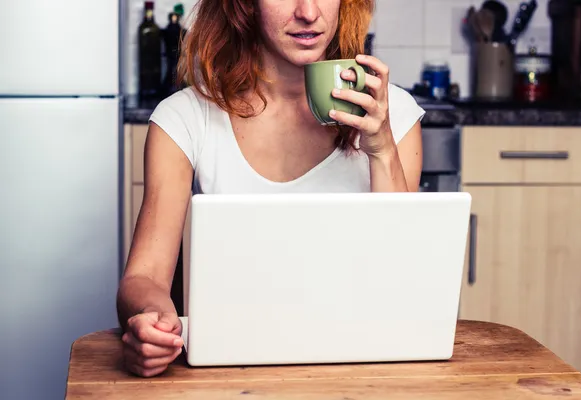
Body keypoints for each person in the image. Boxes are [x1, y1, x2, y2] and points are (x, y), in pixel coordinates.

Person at [117, 0, 425, 378]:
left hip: (366, 365)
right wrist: (153, 323)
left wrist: (380, 148)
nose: (309, 13)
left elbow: (401, 283)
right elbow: (143, 277)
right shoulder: (184, 118)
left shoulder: (396, 113)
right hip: (232, 369)